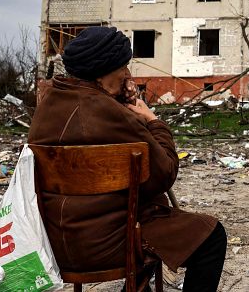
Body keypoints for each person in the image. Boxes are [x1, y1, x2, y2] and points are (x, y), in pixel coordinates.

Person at [29, 26, 226, 292]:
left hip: (57, 242)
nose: (127, 74)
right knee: (212, 236)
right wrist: (152, 121)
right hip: (108, 244)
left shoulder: (46, 107)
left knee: (140, 215)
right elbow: (164, 172)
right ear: (104, 70)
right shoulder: (113, 114)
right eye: (123, 67)